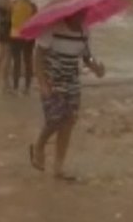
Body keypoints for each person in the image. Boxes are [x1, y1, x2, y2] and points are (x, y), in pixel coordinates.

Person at [30, 11, 106, 181]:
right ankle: (39, 145)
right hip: (52, 80)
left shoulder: (84, 31)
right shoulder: (52, 28)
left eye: (84, 13)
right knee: (56, 119)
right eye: (78, 13)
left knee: (69, 122)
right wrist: (42, 82)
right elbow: (38, 55)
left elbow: (87, 57)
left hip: (71, 80)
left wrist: (97, 67)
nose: (82, 16)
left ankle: (59, 168)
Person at [9, 0, 38, 93]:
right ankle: (27, 87)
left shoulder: (13, 3)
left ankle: (15, 86)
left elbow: (10, 19)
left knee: (16, 61)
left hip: (15, 35)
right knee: (28, 60)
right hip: (29, 36)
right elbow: (36, 21)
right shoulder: (33, 6)